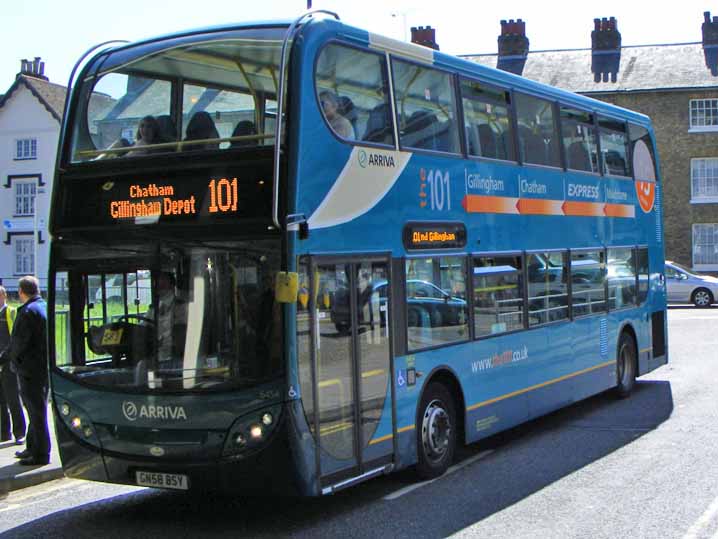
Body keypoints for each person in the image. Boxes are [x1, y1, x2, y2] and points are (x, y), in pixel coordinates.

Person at [0, 276, 49, 465]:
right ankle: (32, 447)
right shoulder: (43, 306)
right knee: (35, 410)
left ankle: (41, 454)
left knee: (36, 413)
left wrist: (5, 359)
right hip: (41, 368)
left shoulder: (28, 312)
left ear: (21, 292)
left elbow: (17, 344)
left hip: (30, 370)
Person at [0, 286, 25, 444]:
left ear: (3, 296)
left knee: (13, 399)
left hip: (8, 362)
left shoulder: (11, 312)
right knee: (1, 401)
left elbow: (15, 339)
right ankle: (4, 433)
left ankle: (19, 433)